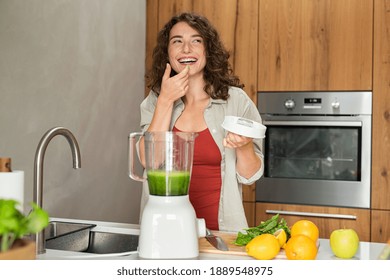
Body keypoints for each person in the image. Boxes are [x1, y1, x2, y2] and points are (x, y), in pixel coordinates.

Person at [138, 12, 264, 232]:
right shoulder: (156, 100)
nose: (186, 49)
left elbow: (249, 176)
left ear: (208, 50)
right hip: (164, 231)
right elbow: (149, 161)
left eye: (196, 41)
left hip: (221, 234)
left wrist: (244, 146)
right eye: (177, 41)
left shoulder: (235, 100)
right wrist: (166, 100)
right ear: (168, 52)